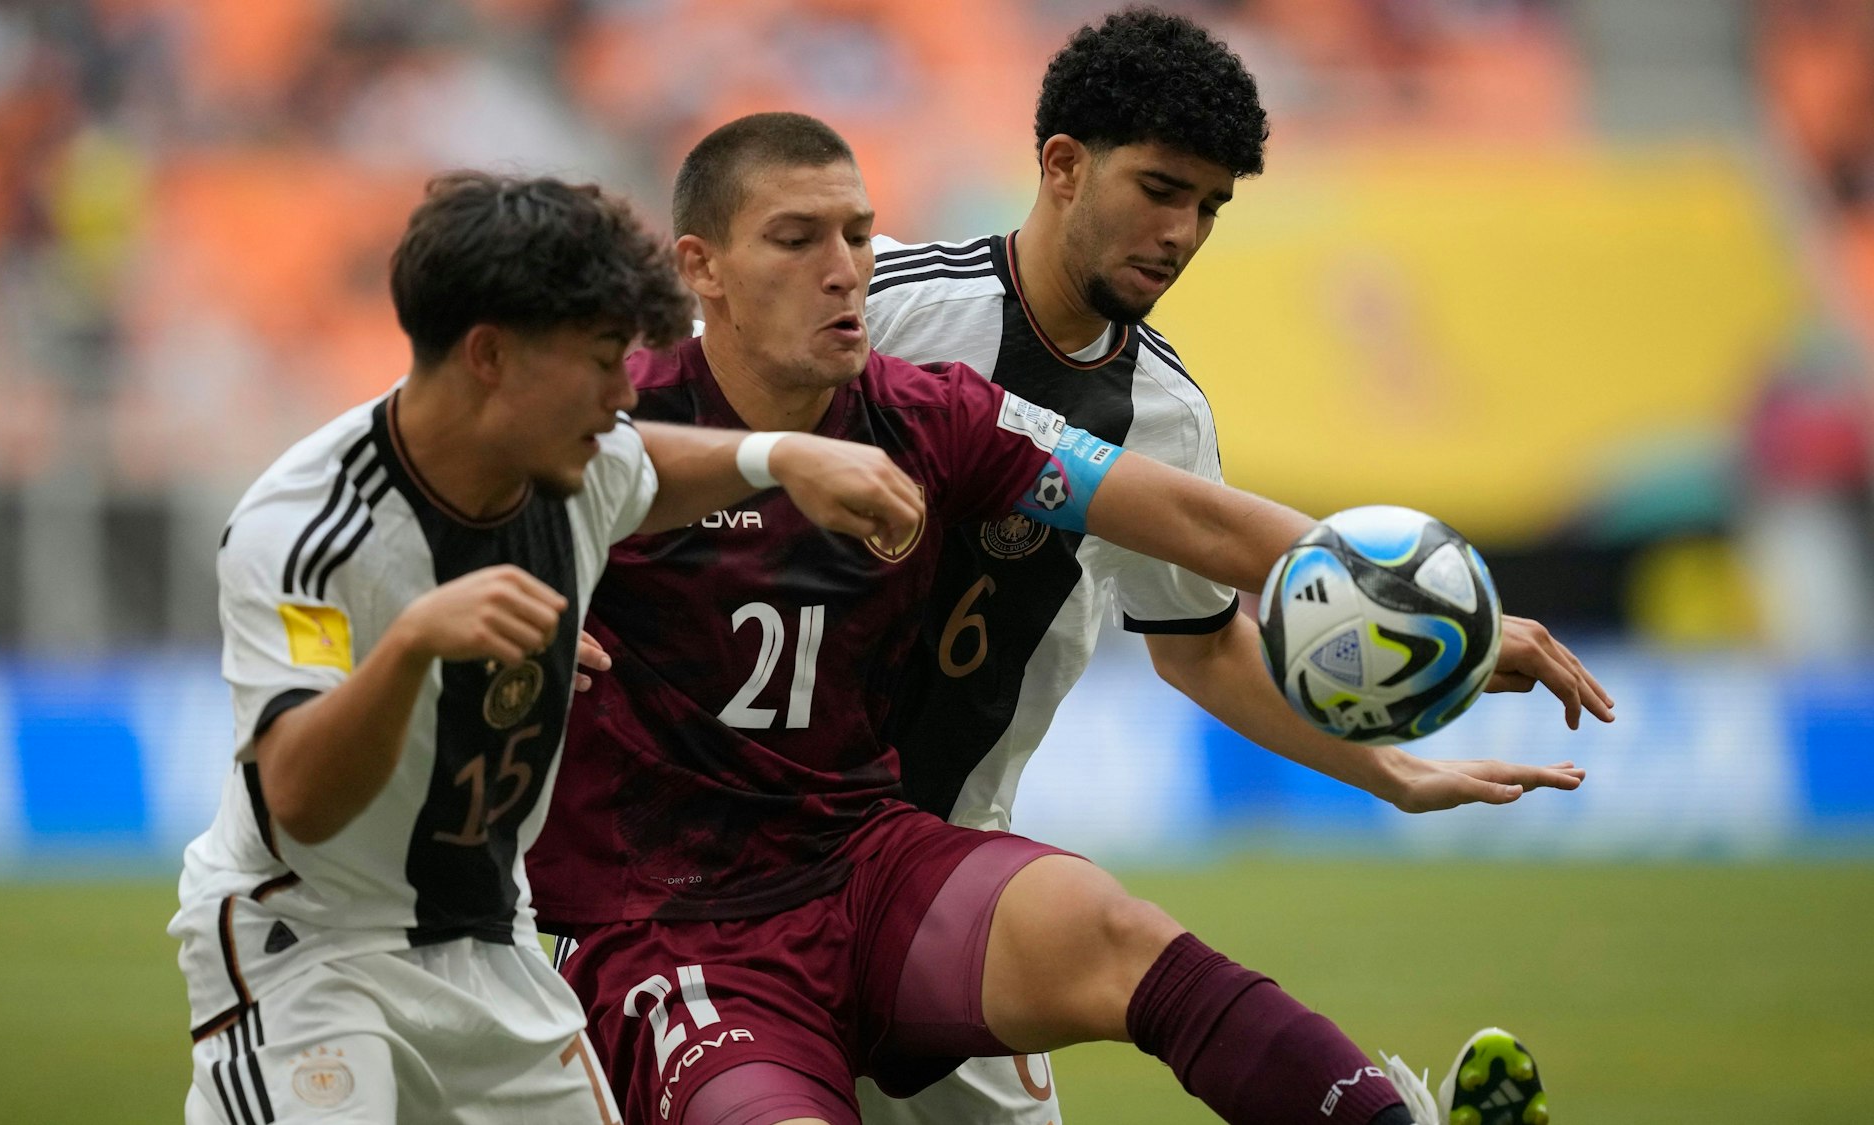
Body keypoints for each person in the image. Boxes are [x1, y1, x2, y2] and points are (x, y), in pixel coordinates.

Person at [527, 113, 1582, 1125]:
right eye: (797, 240)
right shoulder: (600, 419)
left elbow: (1185, 519)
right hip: (668, 927)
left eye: (854, 233)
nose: (844, 267)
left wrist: (1412, 597)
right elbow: (425, 511)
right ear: (701, 268)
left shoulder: (931, 409)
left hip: (877, 859)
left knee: (1117, 932)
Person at [858, 11, 1601, 1125]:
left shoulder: (1163, 415)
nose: (1181, 232)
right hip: (734, 848)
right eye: (1159, 188)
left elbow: (1202, 651)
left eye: (1208, 206)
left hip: (952, 875)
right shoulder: (889, 316)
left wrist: (1391, 774)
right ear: (1061, 165)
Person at [169, 170, 926, 1125]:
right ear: (490, 354)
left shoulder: (574, 468)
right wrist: (412, 650)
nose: (624, 393)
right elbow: (297, 801)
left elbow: (646, 464)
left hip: (492, 939)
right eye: (603, 359)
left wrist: (777, 457)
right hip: (310, 945)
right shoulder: (306, 526)